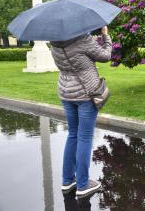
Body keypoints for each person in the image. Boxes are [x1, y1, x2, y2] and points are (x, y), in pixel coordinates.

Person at [50, 26, 112, 198]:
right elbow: (105, 56)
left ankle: (67, 180)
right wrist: (105, 36)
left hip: (66, 92)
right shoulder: (83, 39)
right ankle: (83, 184)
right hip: (86, 94)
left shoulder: (54, 43)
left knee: (73, 135)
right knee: (84, 137)